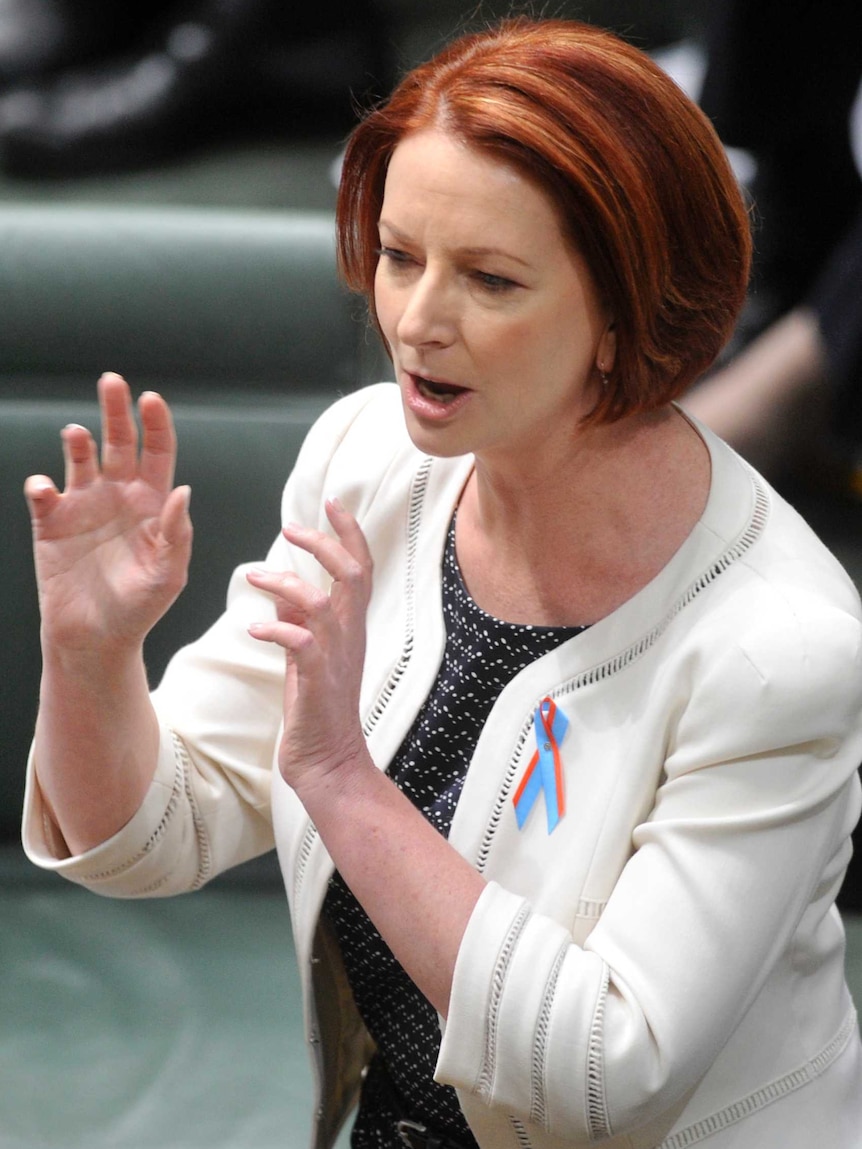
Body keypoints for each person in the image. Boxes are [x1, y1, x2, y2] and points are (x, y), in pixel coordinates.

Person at [20, 17, 862, 1149]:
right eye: (400, 256)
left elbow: (606, 1077)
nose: (416, 323)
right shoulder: (369, 461)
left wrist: (338, 779)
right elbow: (149, 832)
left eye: (491, 280)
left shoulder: (782, 647)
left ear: (623, 316)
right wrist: (89, 658)